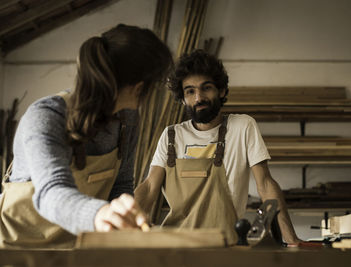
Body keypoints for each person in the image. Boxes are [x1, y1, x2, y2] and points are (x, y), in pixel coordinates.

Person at [0, 24, 173, 248]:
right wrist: (100, 214)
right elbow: (51, 193)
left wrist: (124, 223)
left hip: (79, 246)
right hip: (19, 250)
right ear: (139, 88)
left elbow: (120, 186)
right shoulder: (45, 117)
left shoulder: (127, 120)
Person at [135, 49, 300, 245]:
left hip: (226, 245)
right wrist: (125, 223)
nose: (199, 98)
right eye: (190, 91)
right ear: (182, 98)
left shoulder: (242, 127)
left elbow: (265, 184)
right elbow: (150, 186)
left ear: (221, 90)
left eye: (206, 88)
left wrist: (291, 239)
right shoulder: (171, 135)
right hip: (176, 245)